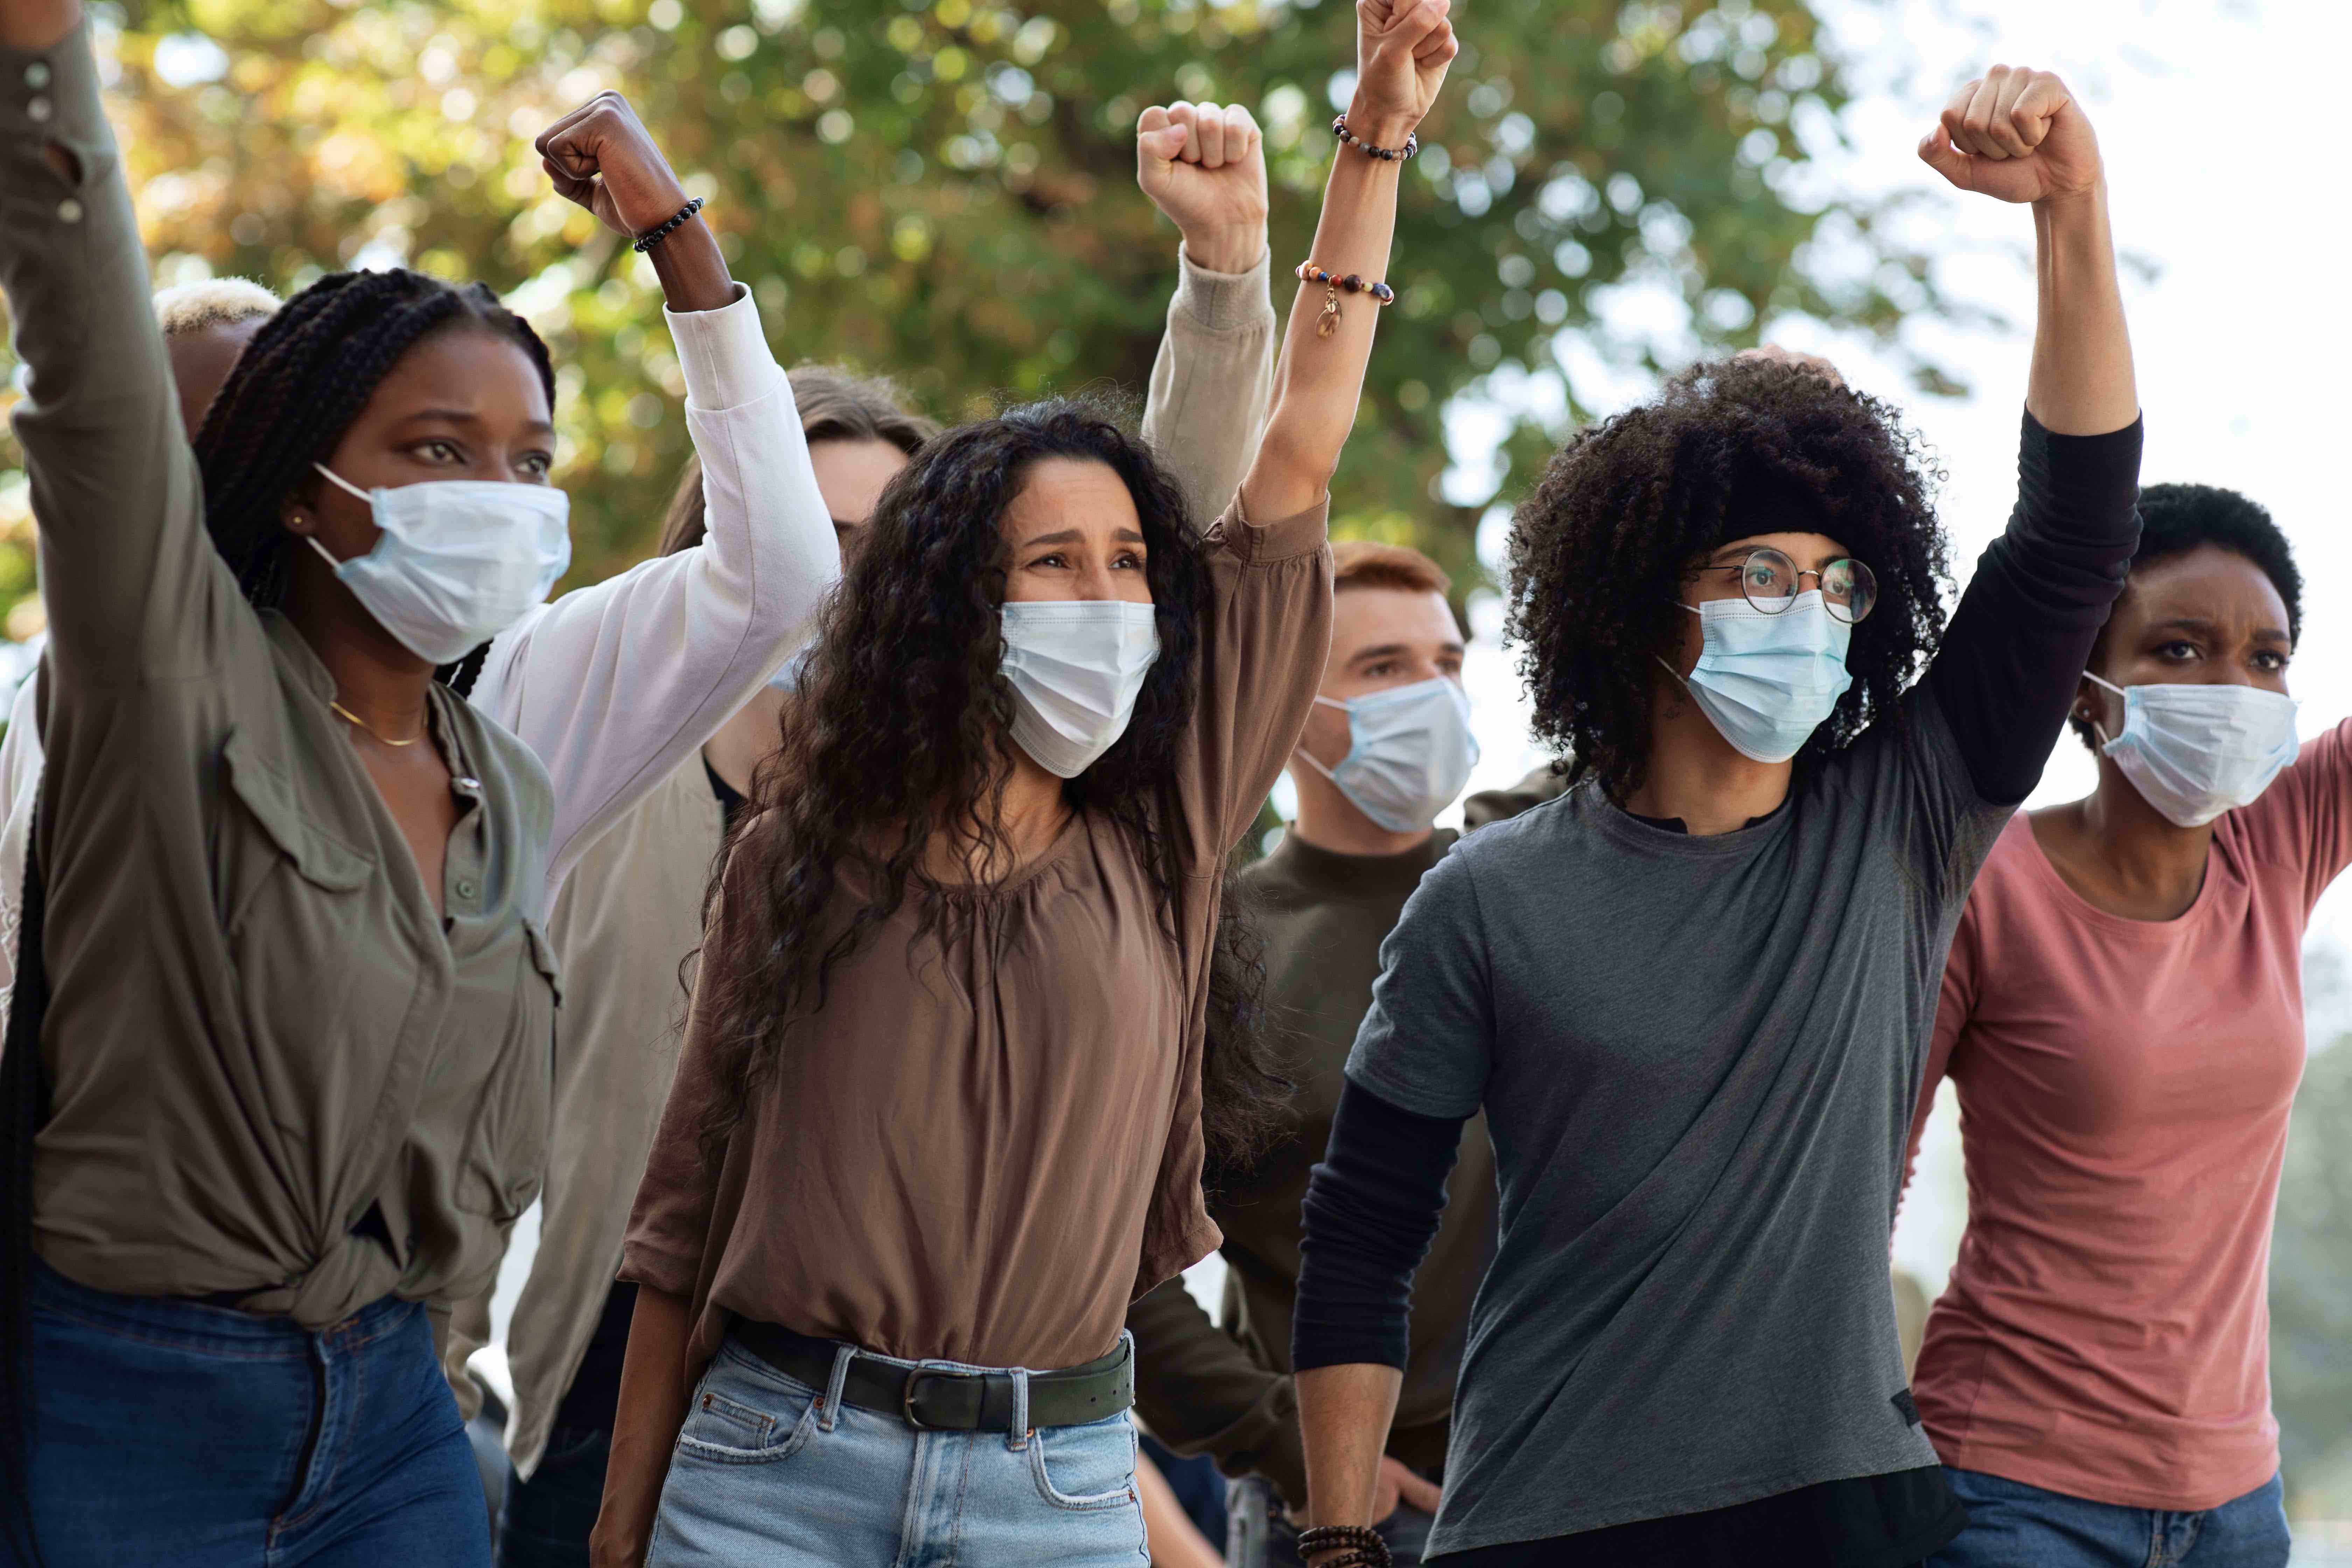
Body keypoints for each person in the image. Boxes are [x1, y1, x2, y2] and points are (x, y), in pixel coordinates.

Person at [590, 4, 1458, 1562]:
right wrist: (618, 1528)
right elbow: (681, 1215)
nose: (1110, 598)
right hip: (770, 1463)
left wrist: (1373, 134)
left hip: (1053, 1488)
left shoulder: (1170, 829)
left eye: (1132, 564)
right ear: (954, 610)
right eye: (1055, 564)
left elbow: (1303, 441)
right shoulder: (799, 859)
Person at [1288, 62, 2141, 1568]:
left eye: (1835, 583)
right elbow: (1363, 1234)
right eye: (1759, 573)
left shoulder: (1903, 814)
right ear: (1642, 609)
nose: (1803, 614)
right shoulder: (1488, 897)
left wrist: (2071, 215)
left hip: (1844, 1507)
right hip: (1549, 1521)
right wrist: (1342, 1537)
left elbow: (2075, 533)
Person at [496, 99, 1281, 1568]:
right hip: (615, 1374)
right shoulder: (606, 777)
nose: (838, 584)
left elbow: (1165, 516)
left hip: (922, 1395)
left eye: (881, 546)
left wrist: (1226, 276)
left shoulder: (1034, 816)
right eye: (810, 540)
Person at [1908, 483, 2321, 1568]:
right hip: (2013, 1495)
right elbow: (1863, 1187)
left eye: (2267, 659)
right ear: (2084, 690)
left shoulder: (2276, 848)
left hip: (2241, 1503)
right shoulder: (1982, 889)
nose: (2234, 688)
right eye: (2179, 651)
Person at [1128, 540, 1489, 1568]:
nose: (1433, 694)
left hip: (1575, 1488)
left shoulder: (1527, 893)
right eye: (1383, 669)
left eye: (1448, 664)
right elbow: (1115, 1260)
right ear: (1286, 704)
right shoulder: (1212, 951)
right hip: (1345, 1521)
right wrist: (1295, 1446)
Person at [0, 277, 281, 1019]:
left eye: (259, 434)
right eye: (178, 450)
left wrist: (639, 229)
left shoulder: (424, 690)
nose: (223, 478)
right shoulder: (50, 704)